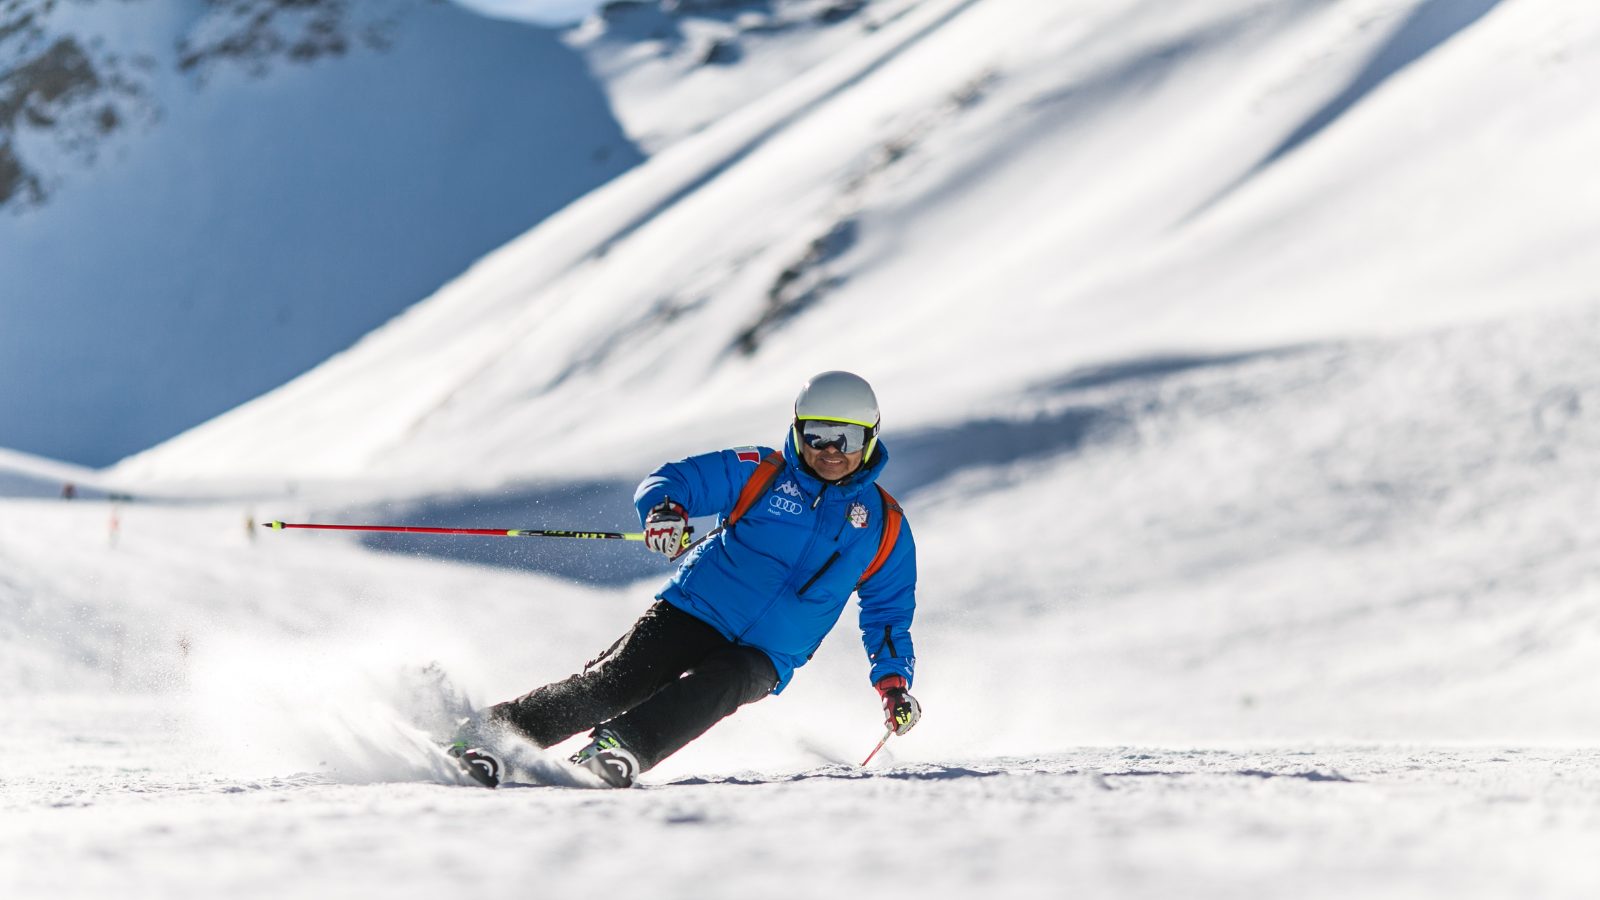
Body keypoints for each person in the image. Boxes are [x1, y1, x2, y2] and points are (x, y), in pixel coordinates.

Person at [449, 371, 921, 788]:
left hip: (768, 653)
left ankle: (619, 749)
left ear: (870, 438)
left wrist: (894, 685)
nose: (831, 451)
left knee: (724, 683)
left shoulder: (885, 526)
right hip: (694, 609)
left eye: (847, 438)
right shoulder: (761, 471)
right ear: (798, 432)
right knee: (611, 685)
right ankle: (486, 736)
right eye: (817, 435)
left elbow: (887, 614)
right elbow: (677, 480)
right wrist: (665, 512)